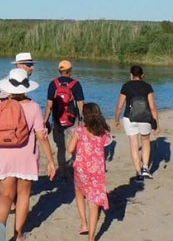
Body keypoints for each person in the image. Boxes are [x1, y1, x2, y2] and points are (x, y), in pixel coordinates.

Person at [0, 68, 56, 241]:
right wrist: (51, 161)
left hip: (4, 155)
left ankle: (1, 226)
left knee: (6, 195)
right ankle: (18, 235)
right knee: (23, 194)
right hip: (27, 156)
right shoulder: (34, 107)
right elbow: (41, 136)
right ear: (26, 88)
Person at [67, 103, 113, 241]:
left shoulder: (79, 131)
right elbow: (106, 144)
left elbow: (70, 149)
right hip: (97, 171)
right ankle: (92, 237)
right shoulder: (104, 134)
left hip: (81, 169)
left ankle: (84, 223)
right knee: (94, 204)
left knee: (79, 193)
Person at [113, 65, 159, 181]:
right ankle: (145, 169)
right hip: (145, 118)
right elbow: (153, 107)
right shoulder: (147, 86)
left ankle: (138, 173)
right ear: (142, 75)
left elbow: (119, 106)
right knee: (145, 141)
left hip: (129, 118)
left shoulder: (126, 86)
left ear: (131, 75)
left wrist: (117, 120)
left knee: (134, 144)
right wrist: (156, 124)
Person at [43, 60, 85, 177]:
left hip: (57, 120)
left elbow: (49, 105)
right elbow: (81, 104)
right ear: (70, 71)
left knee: (60, 147)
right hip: (72, 120)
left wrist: (45, 120)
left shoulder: (53, 84)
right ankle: (76, 170)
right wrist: (84, 119)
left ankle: (62, 173)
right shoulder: (75, 84)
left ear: (59, 71)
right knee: (74, 146)